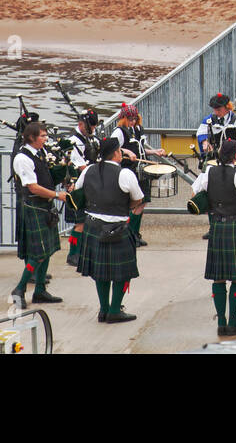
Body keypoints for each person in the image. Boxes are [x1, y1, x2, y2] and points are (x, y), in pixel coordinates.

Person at [190, 139, 236, 336]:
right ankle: (233, 322)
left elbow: (194, 192)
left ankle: (221, 322)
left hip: (217, 227)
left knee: (218, 277)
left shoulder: (208, 173)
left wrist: (210, 204)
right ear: (235, 155)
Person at [74, 137, 145, 324]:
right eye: (120, 151)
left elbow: (77, 190)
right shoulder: (126, 174)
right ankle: (114, 310)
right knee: (122, 273)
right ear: (115, 153)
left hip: (92, 226)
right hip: (117, 228)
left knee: (100, 272)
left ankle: (103, 309)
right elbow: (138, 199)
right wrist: (125, 206)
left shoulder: (88, 170)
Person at [9, 120, 69, 309]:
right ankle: (19, 289)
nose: (46, 139)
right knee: (38, 254)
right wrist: (57, 195)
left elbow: (48, 175)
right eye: (42, 136)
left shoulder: (40, 153)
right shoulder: (22, 158)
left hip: (45, 206)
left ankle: (40, 290)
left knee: (48, 251)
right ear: (31, 138)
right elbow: (32, 187)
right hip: (34, 207)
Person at [111, 102, 168, 246]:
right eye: (130, 119)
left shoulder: (138, 129)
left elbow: (141, 149)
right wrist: (126, 151)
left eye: (134, 118)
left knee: (143, 201)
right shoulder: (119, 132)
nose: (133, 121)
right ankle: (129, 235)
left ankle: (135, 234)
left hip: (141, 168)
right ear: (123, 118)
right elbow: (112, 148)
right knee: (134, 203)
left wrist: (154, 151)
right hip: (129, 170)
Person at [64, 108, 101, 267]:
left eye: (93, 126)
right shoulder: (74, 141)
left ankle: (84, 251)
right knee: (80, 223)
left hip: (90, 183)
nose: (93, 129)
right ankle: (73, 254)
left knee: (88, 220)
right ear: (80, 124)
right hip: (78, 186)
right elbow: (81, 167)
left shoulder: (91, 139)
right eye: (90, 127)